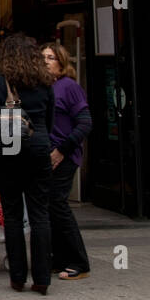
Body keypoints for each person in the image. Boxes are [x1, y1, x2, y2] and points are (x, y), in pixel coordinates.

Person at [0, 34, 55, 294]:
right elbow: (50, 118)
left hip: (8, 151)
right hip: (39, 148)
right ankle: (43, 278)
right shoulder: (45, 81)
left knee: (12, 214)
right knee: (40, 214)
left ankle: (17, 277)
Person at [42, 41, 92, 281]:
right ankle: (59, 258)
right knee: (50, 207)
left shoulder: (69, 86)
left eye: (49, 58)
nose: (44, 61)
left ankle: (79, 262)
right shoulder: (44, 88)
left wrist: (62, 150)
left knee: (58, 205)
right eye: (42, 58)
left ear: (61, 63)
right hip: (47, 157)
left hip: (65, 155)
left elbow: (85, 123)